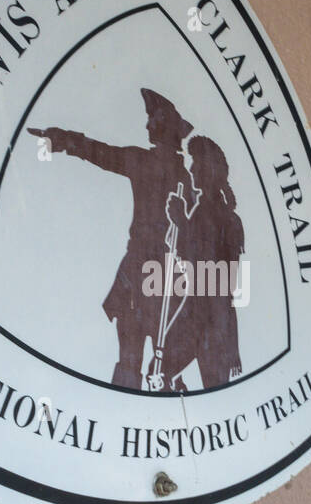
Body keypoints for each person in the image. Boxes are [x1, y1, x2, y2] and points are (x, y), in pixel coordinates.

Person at [27, 89, 193, 388]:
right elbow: (101, 153)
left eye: (152, 121)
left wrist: (62, 139)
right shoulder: (178, 174)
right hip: (148, 270)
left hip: (158, 272)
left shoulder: (164, 170)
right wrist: (63, 139)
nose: (147, 127)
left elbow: (101, 153)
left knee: (149, 360)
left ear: (164, 127)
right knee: (144, 359)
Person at [154, 134, 245, 389]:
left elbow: (214, 276)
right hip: (196, 314)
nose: (191, 169)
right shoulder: (202, 210)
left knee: (213, 393)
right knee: (158, 373)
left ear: (209, 169)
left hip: (213, 320)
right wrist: (181, 222)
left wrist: (181, 222)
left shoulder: (226, 219)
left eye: (196, 162)